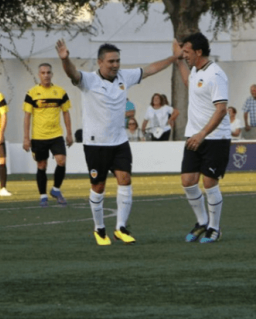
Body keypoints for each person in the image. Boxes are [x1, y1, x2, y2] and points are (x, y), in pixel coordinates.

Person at [56, 37, 179, 245]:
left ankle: (120, 228)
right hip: (95, 143)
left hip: (119, 141)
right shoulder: (89, 80)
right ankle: (99, 229)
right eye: (111, 61)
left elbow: (150, 70)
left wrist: (174, 57)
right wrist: (65, 59)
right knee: (98, 186)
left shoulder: (124, 76)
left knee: (125, 180)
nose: (115, 65)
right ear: (100, 62)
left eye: (117, 61)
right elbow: (72, 74)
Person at [175, 32, 231, 244]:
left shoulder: (215, 75)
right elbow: (191, 85)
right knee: (188, 181)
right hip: (194, 135)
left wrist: (202, 134)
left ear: (199, 52)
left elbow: (221, 109)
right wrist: (178, 61)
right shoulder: (195, 70)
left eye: (187, 52)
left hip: (215, 137)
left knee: (209, 183)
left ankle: (214, 229)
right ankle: (202, 222)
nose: (184, 55)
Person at [23, 63, 74, 207]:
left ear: (52, 74)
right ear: (39, 75)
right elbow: (27, 116)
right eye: (43, 73)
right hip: (38, 136)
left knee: (61, 161)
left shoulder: (60, 92)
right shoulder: (31, 93)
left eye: (48, 72)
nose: (46, 75)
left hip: (56, 135)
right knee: (41, 165)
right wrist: (26, 138)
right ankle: (43, 196)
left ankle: (56, 190)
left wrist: (69, 133)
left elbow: (66, 112)